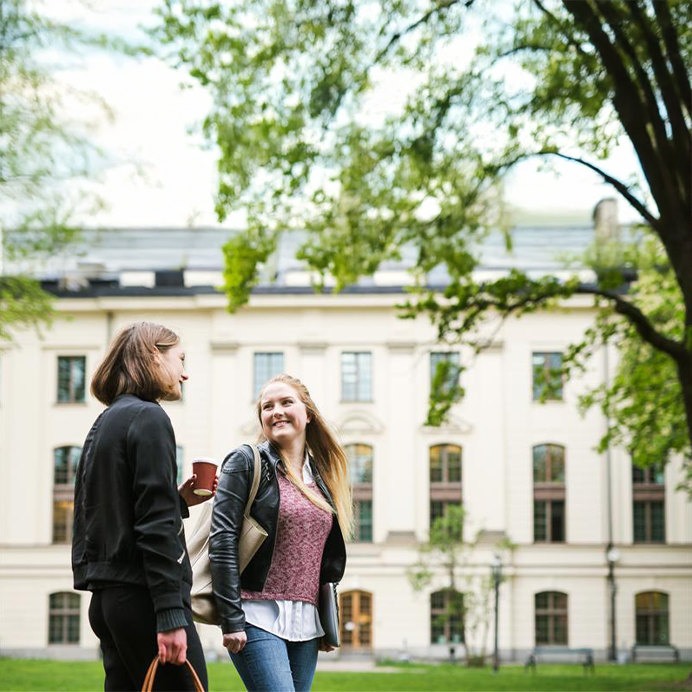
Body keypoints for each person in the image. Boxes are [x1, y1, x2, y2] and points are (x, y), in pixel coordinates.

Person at [71, 321, 212, 692]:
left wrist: (176, 502)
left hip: (107, 601)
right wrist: (169, 614)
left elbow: (106, 512)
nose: (185, 372)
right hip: (145, 601)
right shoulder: (149, 417)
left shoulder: (105, 421)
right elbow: (154, 523)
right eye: (179, 359)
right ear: (154, 355)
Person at [210, 374, 352, 692]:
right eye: (267, 406)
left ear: (308, 413)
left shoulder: (323, 476)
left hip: (306, 623)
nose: (276, 411)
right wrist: (231, 618)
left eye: (287, 402)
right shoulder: (246, 462)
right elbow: (222, 541)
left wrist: (326, 623)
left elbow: (322, 558)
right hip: (255, 614)